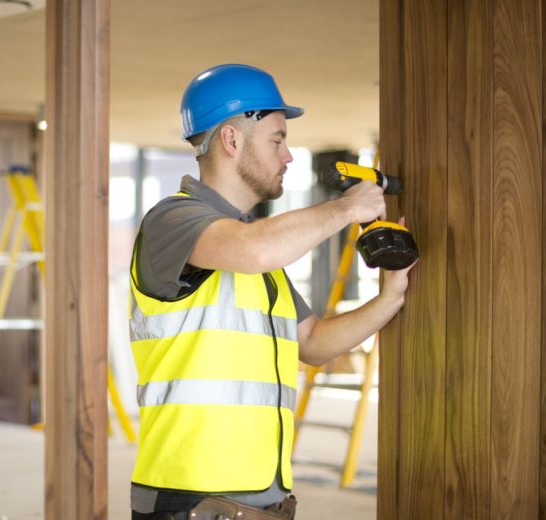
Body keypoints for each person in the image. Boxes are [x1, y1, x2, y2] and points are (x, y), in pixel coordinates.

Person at [128, 64, 414, 519]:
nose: (289, 156)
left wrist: (391, 296)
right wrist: (347, 207)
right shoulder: (173, 221)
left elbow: (315, 343)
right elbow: (255, 250)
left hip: (260, 501)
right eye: (278, 140)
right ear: (231, 140)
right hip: (190, 501)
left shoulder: (257, 255)